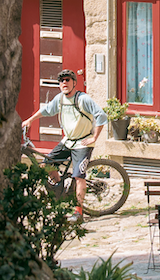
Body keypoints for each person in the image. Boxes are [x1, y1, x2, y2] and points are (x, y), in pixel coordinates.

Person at [21, 70, 107, 218]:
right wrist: (30, 120)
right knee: (46, 164)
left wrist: (94, 137)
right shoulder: (59, 99)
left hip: (82, 143)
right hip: (67, 141)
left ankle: (78, 211)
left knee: (79, 176)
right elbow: (46, 110)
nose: (64, 83)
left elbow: (101, 115)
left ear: (74, 82)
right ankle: (60, 188)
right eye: (61, 81)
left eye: (67, 80)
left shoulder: (83, 99)